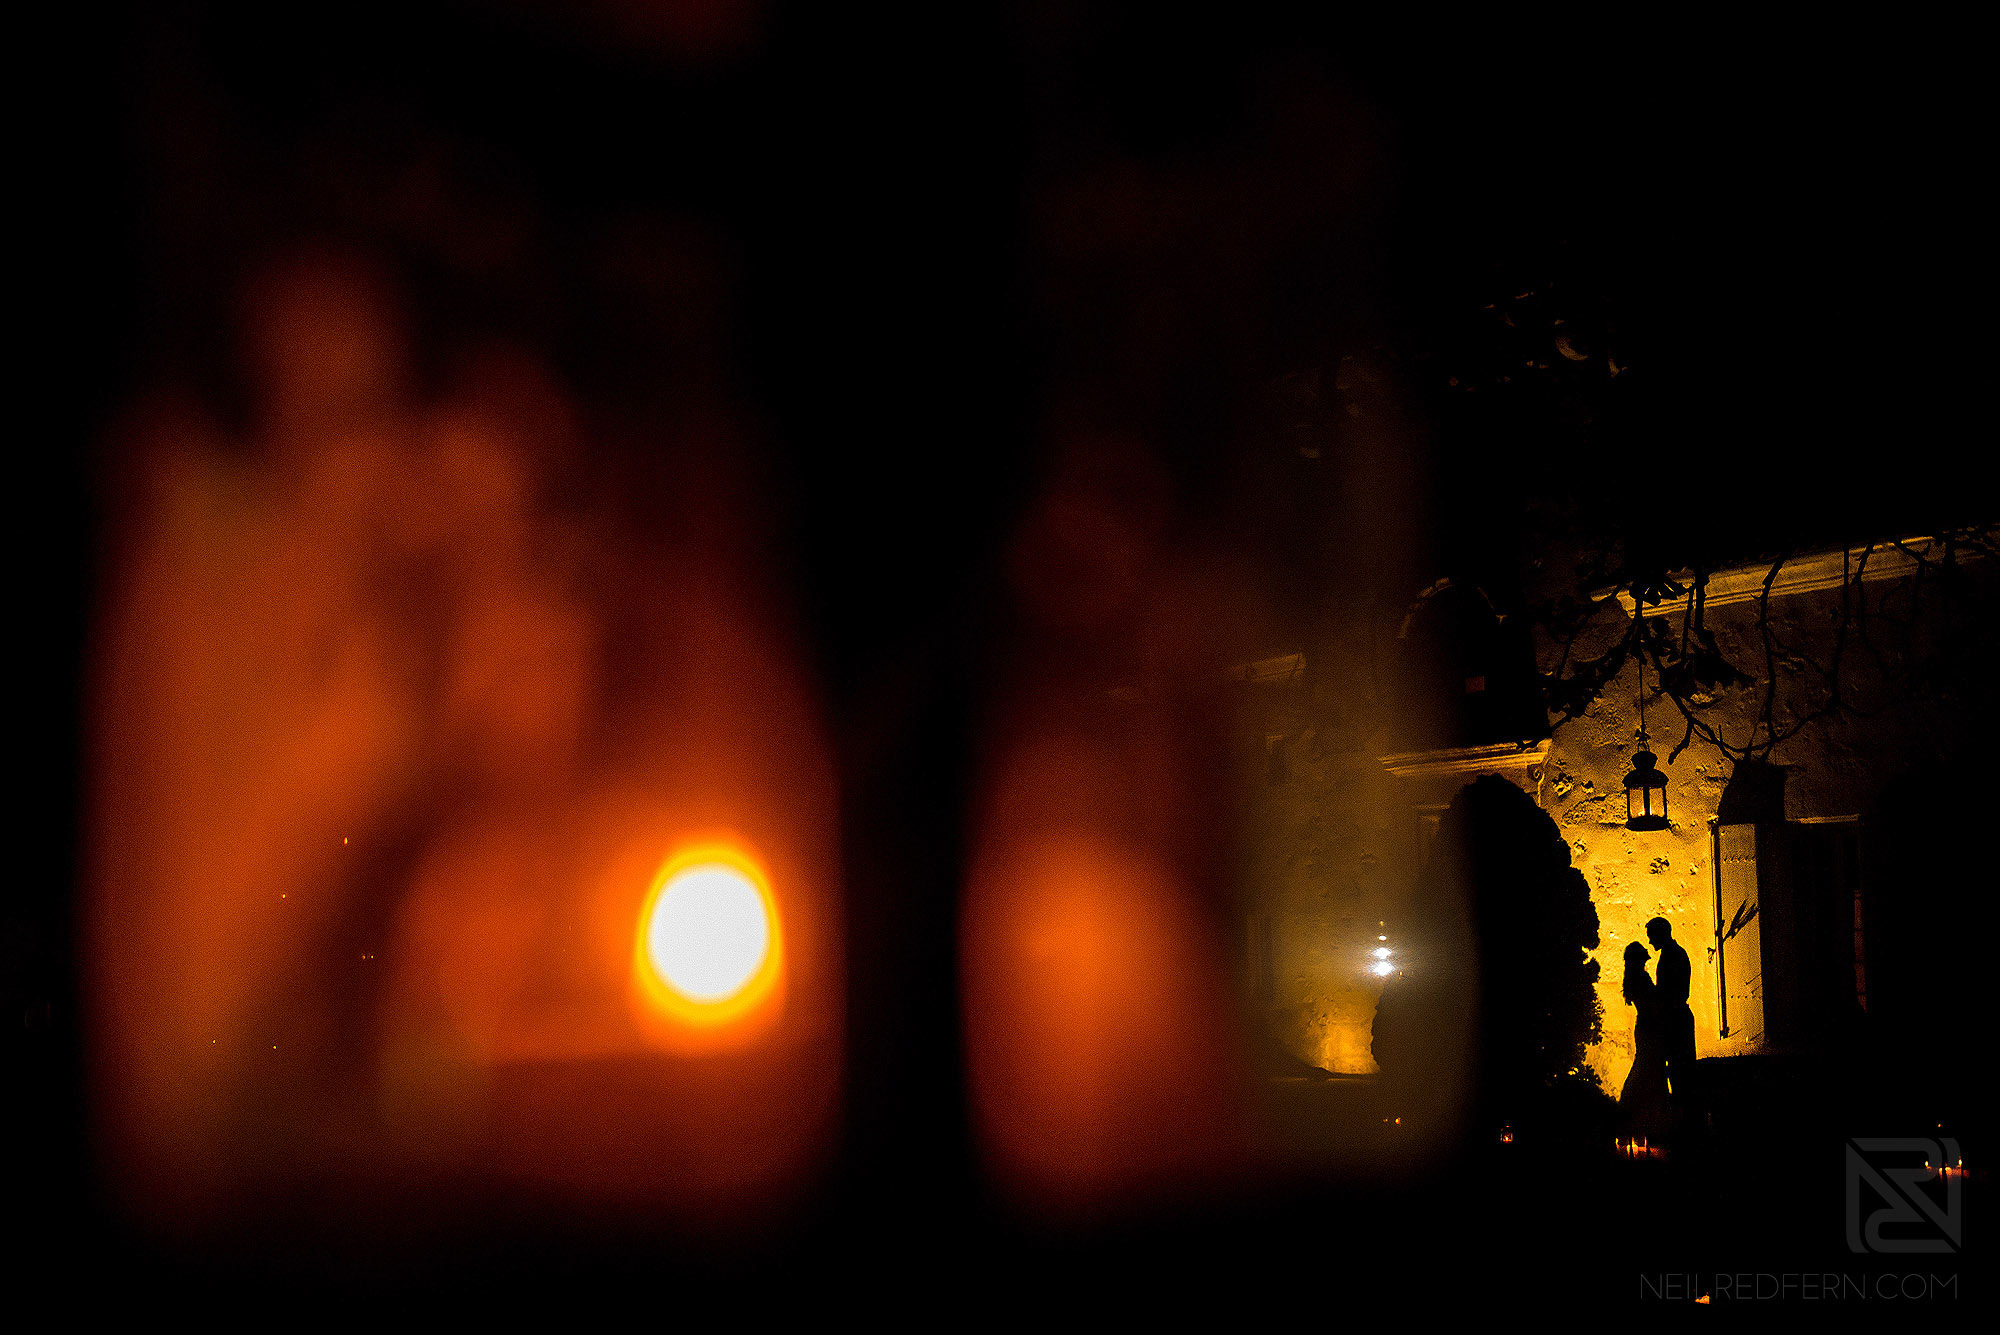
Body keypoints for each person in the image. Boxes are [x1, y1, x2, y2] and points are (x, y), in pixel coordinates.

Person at [1646, 916, 1698, 1107]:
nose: (1650, 941)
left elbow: (1674, 990)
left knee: (1680, 1069)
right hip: (1675, 1017)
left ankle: (1684, 1115)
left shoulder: (1674, 955)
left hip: (1676, 1019)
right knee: (1678, 1069)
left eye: (1651, 935)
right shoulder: (1673, 953)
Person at [1619, 941, 1668, 1138]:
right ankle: (1631, 1115)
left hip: (1646, 1027)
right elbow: (1652, 1004)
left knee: (1645, 1069)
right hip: (1649, 1028)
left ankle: (1633, 1116)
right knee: (1647, 1070)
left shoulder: (1635, 978)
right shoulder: (1640, 978)